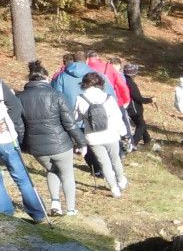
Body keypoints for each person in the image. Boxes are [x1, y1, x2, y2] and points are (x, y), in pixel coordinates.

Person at [17, 61, 86, 216]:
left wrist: (23, 146)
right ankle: (70, 209)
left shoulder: (19, 98)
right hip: (60, 144)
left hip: (37, 147)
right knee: (67, 174)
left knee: (51, 170)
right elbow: (70, 124)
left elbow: (19, 126)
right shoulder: (56, 95)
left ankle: (55, 203)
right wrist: (81, 143)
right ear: (46, 77)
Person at [76, 71, 128, 198]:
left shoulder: (81, 98)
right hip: (111, 135)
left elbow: (76, 118)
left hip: (93, 137)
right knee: (115, 158)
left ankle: (114, 188)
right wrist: (123, 133)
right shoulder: (108, 97)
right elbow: (117, 116)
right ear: (100, 83)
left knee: (104, 163)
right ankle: (121, 180)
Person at [0, 79, 46, 222]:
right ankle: (37, 213)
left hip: (6, 137)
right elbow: (14, 106)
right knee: (21, 176)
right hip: (6, 138)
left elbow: (14, 106)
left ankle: (6, 214)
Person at [123, 63, 154, 151]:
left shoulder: (123, 79)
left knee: (141, 124)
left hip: (129, 107)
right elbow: (138, 97)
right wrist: (150, 100)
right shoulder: (130, 83)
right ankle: (133, 143)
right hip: (134, 108)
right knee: (141, 125)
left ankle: (147, 140)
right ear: (133, 73)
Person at [51, 51, 90, 116]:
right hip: (89, 113)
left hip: (69, 114)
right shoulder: (94, 73)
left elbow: (56, 96)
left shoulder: (60, 76)